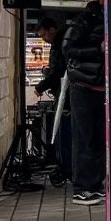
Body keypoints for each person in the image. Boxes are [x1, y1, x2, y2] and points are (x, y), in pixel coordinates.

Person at [64, 1, 107, 205]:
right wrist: (97, 48)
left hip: (102, 89)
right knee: (84, 139)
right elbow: (67, 48)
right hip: (84, 87)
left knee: (99, 140)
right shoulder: (84, 20)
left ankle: (95, 185)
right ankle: (82, 188)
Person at [35, 17, 70, 182]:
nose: (44, 40)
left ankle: (66, 168)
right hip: (65, 93)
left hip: (67, 96)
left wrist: (41, 86)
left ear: (52, 29)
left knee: (65, 133)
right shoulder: (62, 42)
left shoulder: (60, 44)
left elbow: (58, 72)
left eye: (44, 36)